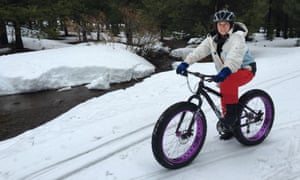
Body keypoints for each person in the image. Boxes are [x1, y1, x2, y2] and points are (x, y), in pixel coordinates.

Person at [176, 9, 256, 140]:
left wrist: (225, 71)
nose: (222, 27)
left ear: (231, 25)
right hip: (227, 72)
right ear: (216, 25)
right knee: (225, 91)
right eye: (219, 24)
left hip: (245, 69)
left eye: (225, 24)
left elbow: (234, 57)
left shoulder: (238, 37)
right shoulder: (212, 38)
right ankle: (230, 126)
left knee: (227, 82)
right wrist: (186, 63)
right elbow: (199, 51)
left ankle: (231, 118)